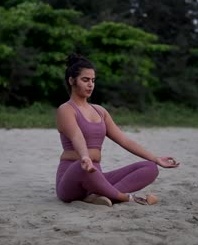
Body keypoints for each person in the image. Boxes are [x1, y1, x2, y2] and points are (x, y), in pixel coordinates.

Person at [55, 53, 180, 206]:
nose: (90, 85)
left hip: (96, 177)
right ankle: (124, 197)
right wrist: (84, 157)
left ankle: (100, 196)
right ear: (72, 81)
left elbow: (124, 140)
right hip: (72, 177)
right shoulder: (66, 109)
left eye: (93, 80)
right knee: (81, 167)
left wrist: (156, 158)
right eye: (85, 80)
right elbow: (76, 137)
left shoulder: (100, 111)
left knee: (150, 168)